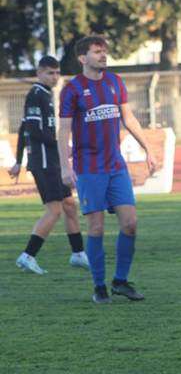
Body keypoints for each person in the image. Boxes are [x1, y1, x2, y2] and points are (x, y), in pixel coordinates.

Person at [58, 36, 158, 304]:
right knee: (96, 228)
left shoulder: (115, 82)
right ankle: (99, 286)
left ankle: (120, 282)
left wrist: (148, 148)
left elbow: (128, 118)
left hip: (116, 166)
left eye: (104, 51)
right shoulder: (72, 89)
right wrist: (65, 167)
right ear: (83, 58)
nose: (103, 55)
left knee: (130, 224)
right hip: (89, 169)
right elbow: (63, 130)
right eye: (97, 52)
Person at [9, 56, 90, 275]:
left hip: (53, 161)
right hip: (44, 162)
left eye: (57, 73)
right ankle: (28, 256)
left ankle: (78, 254)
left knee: (70, 205)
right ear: (39, 73)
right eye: (50, 73)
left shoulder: (46, 94)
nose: (54, 77)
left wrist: (18, 161)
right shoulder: (36, 94)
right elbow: (32, 130)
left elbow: (22, 128)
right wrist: (60, 145)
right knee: (54, 211)